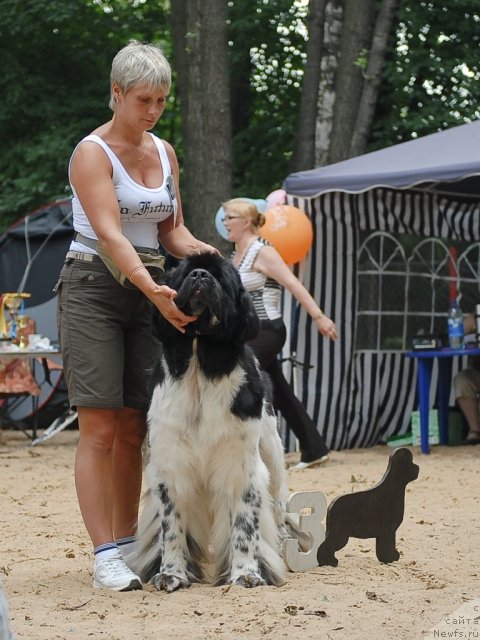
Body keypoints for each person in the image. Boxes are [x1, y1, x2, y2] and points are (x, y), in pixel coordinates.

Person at [56, 40, 217, 592]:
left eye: (162, 102)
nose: (152, 111)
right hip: (96, 286)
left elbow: (172, 232)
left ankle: (128, 543)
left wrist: (216, 262)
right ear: (117, 93)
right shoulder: (90, 154)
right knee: (99, 426)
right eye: (144, 100)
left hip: (153, 289)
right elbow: (110, 235)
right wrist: (155, 291)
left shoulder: (165, 152)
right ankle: (104, 554)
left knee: (136, 426)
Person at [223, 198, 338, 470]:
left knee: (242, 380)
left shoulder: (262, 251)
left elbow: (293, 284)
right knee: (282, 391)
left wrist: (319, 317)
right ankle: (314, 448)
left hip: (268, 330)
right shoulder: (233, 256)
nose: (225, 222)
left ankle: (250, 450)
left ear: (246, 221)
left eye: (229, 218)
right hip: (247, 332)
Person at [453, 314, 480, 445]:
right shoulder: (475, 316)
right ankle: (475, 431)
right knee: (463, 380)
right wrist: (473, 322)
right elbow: (460, 330)